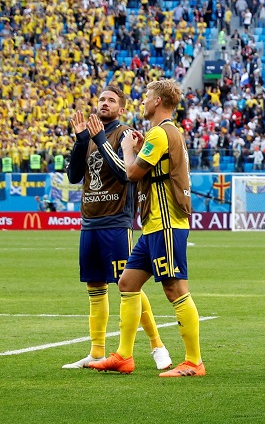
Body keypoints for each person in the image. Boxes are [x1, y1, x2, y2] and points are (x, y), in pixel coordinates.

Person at [89, 80, 204, 377]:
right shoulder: (165, 134)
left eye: (146, 98)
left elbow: (131, 172)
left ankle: (194, 361)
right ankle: (123, 357)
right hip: (153, 225)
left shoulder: (160, 132)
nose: (142, 102)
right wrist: (140, 149)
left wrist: (129, 148)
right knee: (127, 283)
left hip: (166, 224)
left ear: (157, 102)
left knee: (174, 288)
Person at [62, 87, 172, 371]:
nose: (104, 103)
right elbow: (74, 176)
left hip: (116, 221)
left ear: (121, 109)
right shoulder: (88, 136)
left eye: (111, 100)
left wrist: (99, 139)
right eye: (101, 99)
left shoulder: (124, 134)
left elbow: (125, 175)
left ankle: (157, 345)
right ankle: (96, 351)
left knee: (129, 286)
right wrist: (79, 141)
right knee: (95, 287)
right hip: (90, 221)